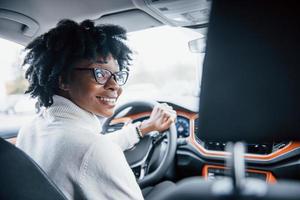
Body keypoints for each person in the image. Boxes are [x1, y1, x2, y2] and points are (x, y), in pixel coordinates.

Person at [16, 19, 176, 200]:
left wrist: (144, 128)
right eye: (100, 73)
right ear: (64, 80)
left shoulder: (31, 129)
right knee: (168, 186)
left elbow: (89, 149)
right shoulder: (95, 150)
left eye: (117, 75)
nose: (115, 86)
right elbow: (93, 151)